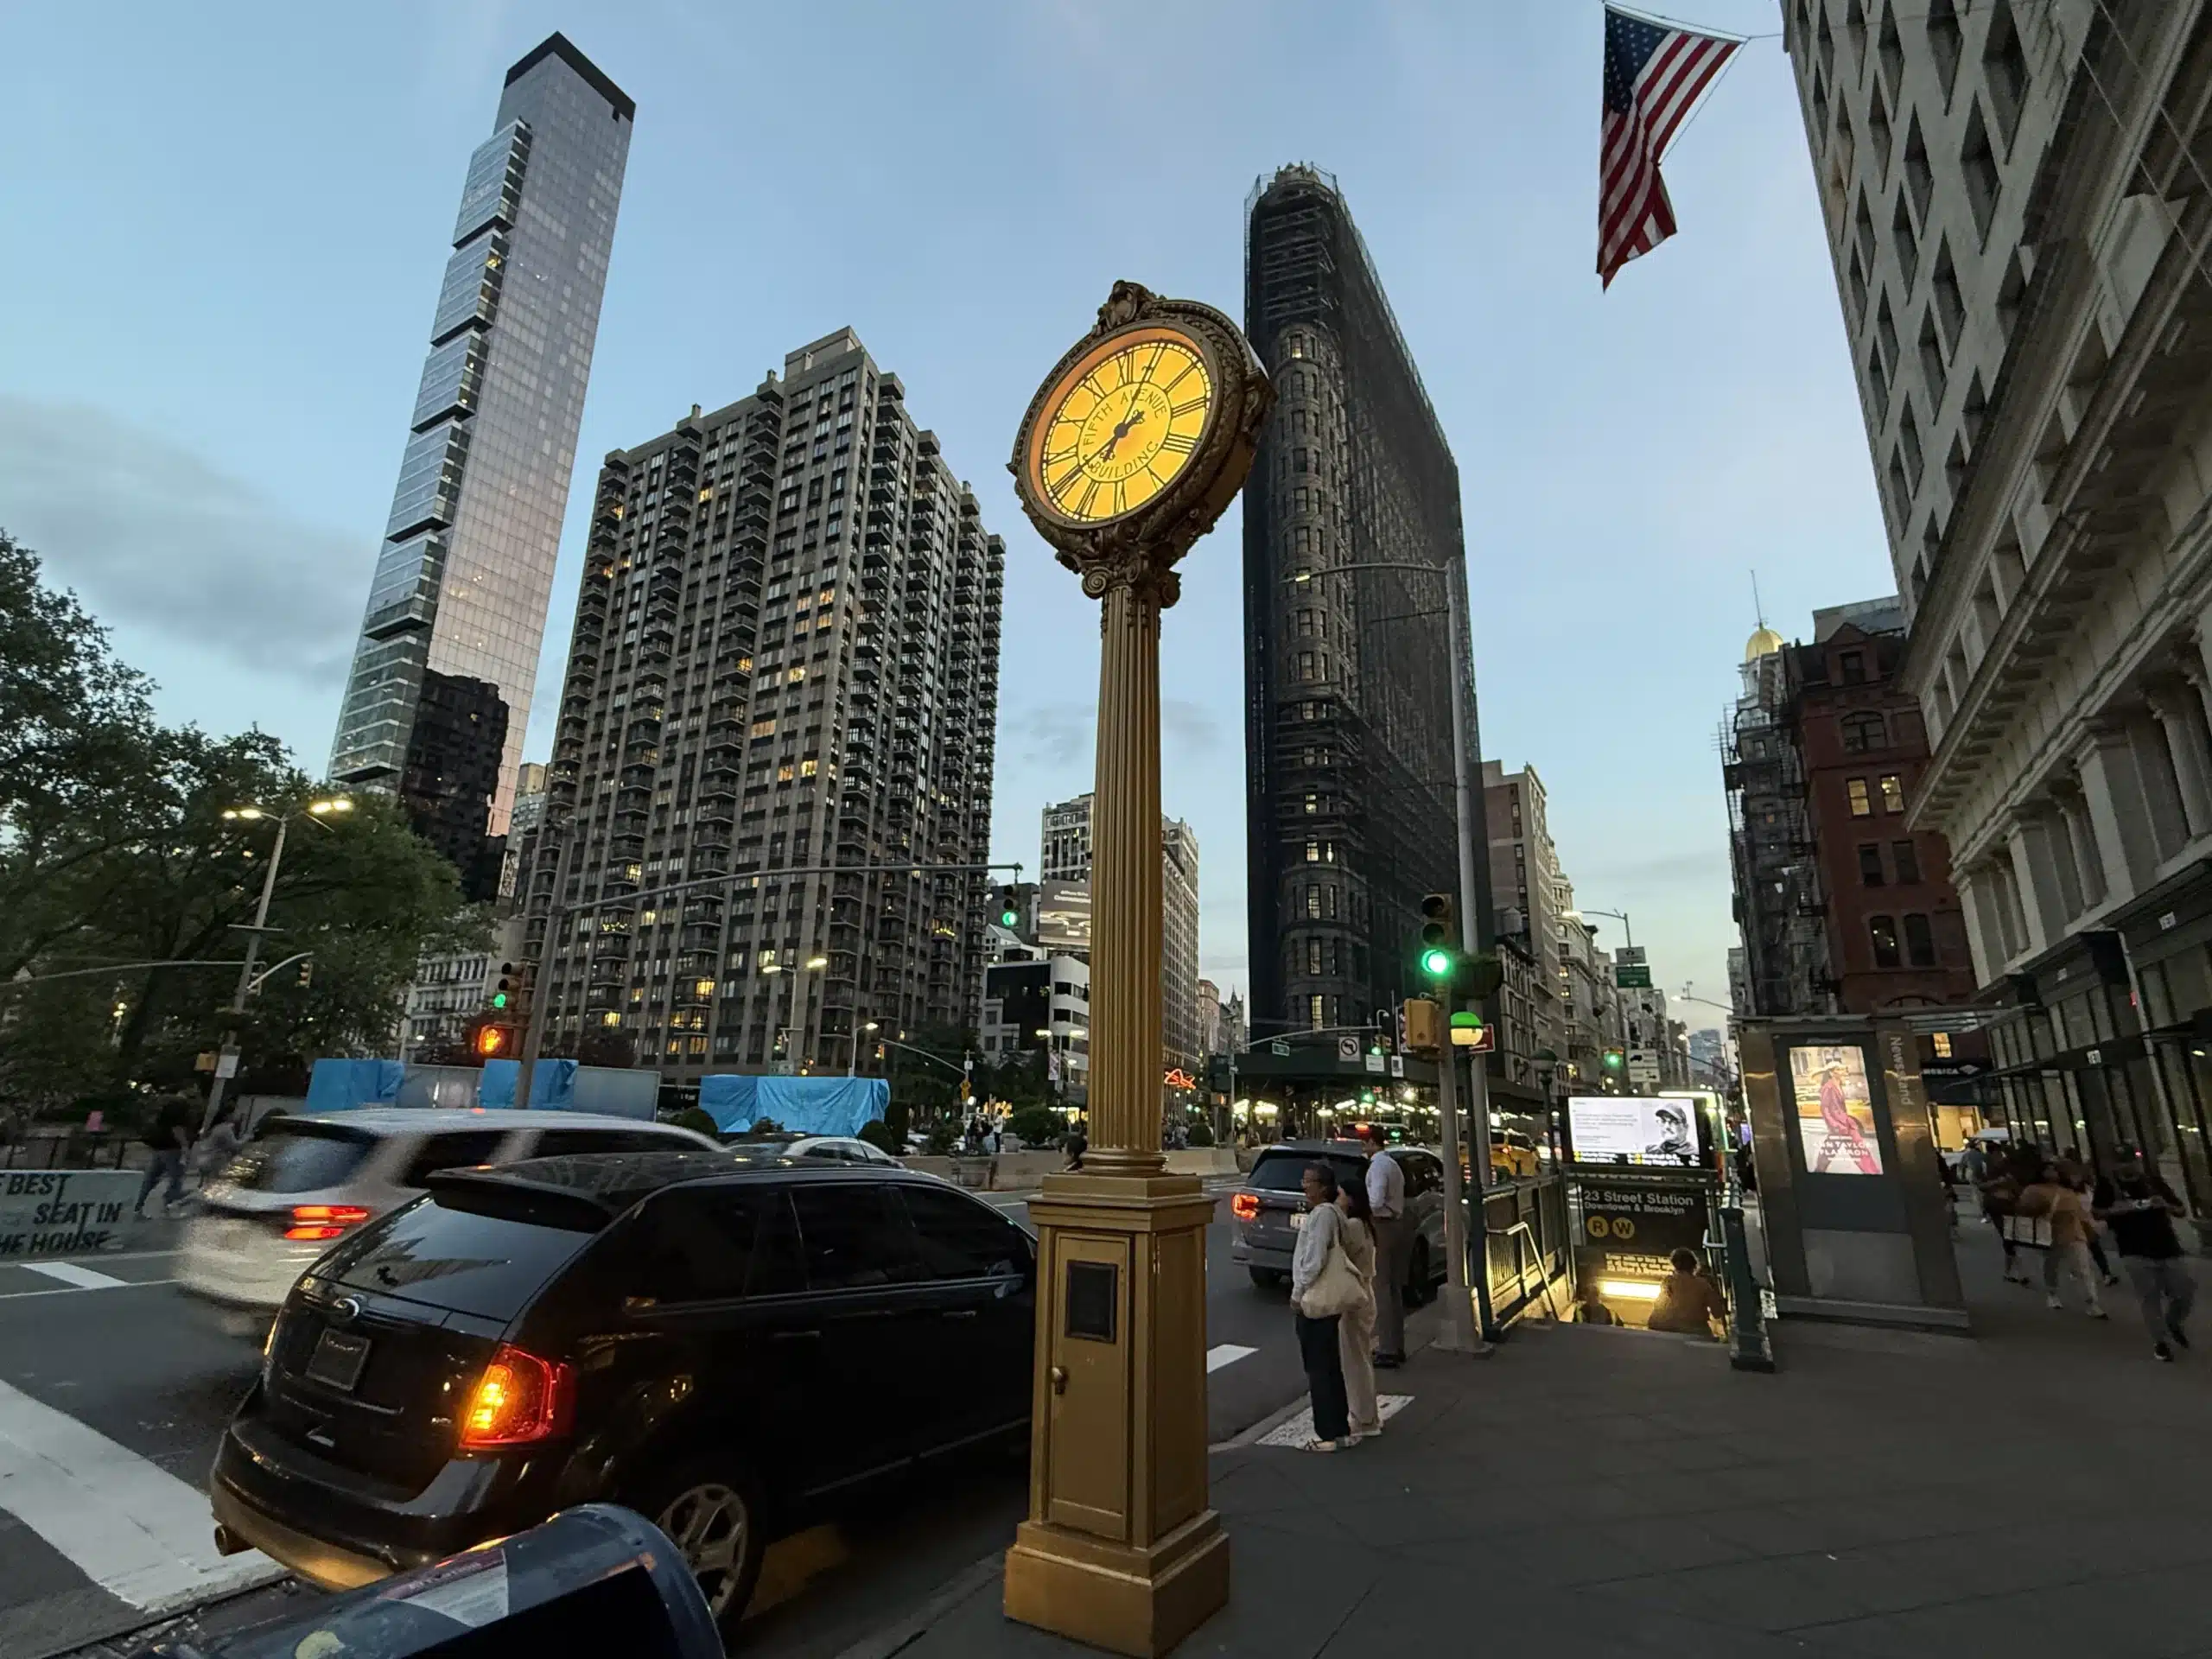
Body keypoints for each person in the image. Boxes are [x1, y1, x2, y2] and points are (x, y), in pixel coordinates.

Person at [2094, 1156, 2196, 1361]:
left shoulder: (2153, 1182)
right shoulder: (2108, 1185)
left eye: (2131, 1160)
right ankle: (2160, 1342)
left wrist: (2164, 1204)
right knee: (2150, 1297)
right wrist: (2120, 1209)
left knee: (2184, 1292)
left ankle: (2173, 1321)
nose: (2127, 1165)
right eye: (2122, 1161)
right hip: (2134, 1250)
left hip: (2168, 1247)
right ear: (2115, 1163)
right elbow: (2096, 1213)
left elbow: (2181, 1210)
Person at [1289, 1162, 1352, 1452]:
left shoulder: (1322, 1216)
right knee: (1330, 1365)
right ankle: (1340, 1428)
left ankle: (1327, 1433)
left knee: (1318, 1367)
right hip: (1329, 1298)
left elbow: (1313, 1260)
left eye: (1309, 1181)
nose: (1304, 1185)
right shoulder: (1334, 1215)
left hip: (1316, 1298)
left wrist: (1298, 1292)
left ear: (1323, 1187)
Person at [2017, 1160, 2107, 1318]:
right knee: (2051, 1267)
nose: (2052, 1173)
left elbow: (2081, 1214)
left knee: (2083, 1270)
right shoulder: (2033, 1190)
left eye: (2054, 1170)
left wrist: (2091, 1229)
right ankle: (2052, 1293)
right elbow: (2023, 1210)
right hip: (2049, 1236)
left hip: (2075, 1235)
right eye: (2048, 1170)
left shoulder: (2067, 1191)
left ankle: (2091, 1302)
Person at [1335, 1176, 1381, 1440]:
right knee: (1360, 1357)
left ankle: (1364, 1418)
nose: (1338, 1199)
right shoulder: (1364, 1225)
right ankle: (1368, 1414)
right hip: (1365, 1293)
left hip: (1354, 1296)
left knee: (1354, 1361)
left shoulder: (1351, 1226)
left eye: (1341, 1194)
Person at [1363, 1124, 1409, 1370]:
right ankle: (1396, 1344)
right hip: (1395, 1223)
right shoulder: (1392, 1164)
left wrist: (1363, 1207)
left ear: (1372, 1143)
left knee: (1381, 1288)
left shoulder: (1378, 1166)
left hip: (1383, 1223)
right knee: (1393, 1289)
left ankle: (1387, 1349)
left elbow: (1376, 1199)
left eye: (1365, 1142)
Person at [134, 1096, 195, 1217]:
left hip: (159, 1148)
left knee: (150, 1179)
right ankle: (170, 1206)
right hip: (173, 1149)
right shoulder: (179, 1116)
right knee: (176, 1179)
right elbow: (178, 1130)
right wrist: (185, 1146)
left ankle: (137, 1205)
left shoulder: (162, 1118)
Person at [1646, 1248, 1729, 1337]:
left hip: (1661, 1328)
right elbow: (1717, 1313)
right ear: (1694, 1265)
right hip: (1692, 1331)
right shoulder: (1702, 1284)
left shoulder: (1667, 1281)